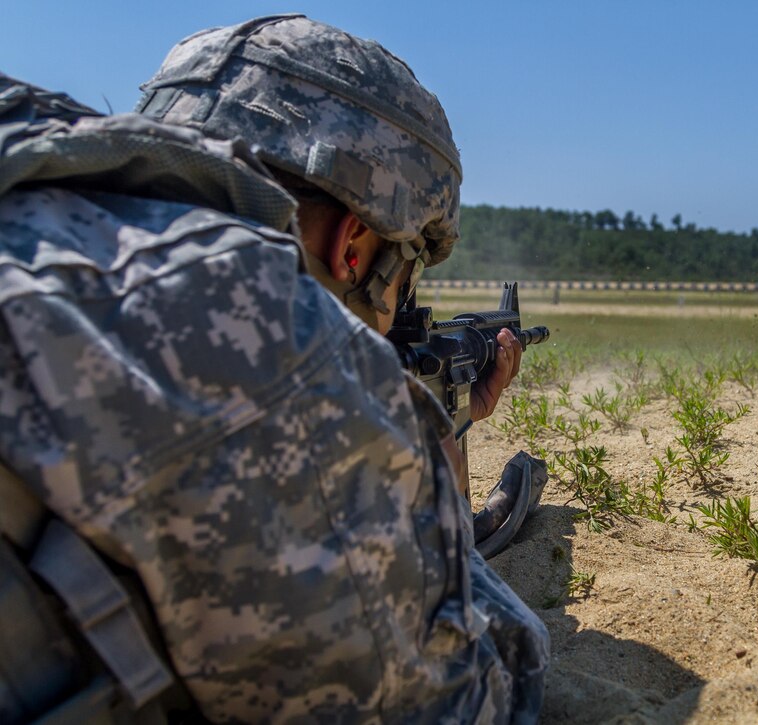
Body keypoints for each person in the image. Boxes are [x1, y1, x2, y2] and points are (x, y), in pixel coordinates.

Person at [0, 14, 547, 724]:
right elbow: (471, 699)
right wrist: (423, 466)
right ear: (356, 247)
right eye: (402, 278)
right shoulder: (258, 330)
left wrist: (452, 407)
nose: (397, 306)